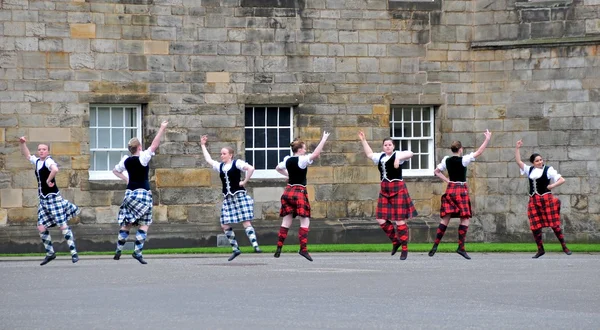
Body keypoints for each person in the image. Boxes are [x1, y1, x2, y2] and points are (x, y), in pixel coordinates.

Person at [429, 130, 492, 260]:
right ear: (461, 149)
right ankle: (461, 247)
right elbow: (479, 152)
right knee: (465, 218)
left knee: (445, 218)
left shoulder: (446, 160)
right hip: (461, 189)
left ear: (452, 149)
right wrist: (487, 139)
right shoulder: (464, 160)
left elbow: (436, 171)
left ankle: (435, 245)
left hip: (450, 189)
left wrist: (447, 181)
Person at [112, 120, 168, 264]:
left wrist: (126, 179)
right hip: (143, 194)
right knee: (145, 223)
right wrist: (161, 128)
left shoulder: (125, 160)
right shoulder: (143, 158)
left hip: (129, 194)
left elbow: (115, 171)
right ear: (139, 147)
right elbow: (154, 145)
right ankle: (137, 252)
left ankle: (118, 250)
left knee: (127, 223)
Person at [19, 137, 80, 266]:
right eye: (40, 149)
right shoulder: (37, 162)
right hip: (43, 200)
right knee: (41, 226)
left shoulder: (48, 161)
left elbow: (55, 169)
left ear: (48, 151)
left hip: (53, 199)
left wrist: (48, 180)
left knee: (62, 225)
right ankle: (50, 253)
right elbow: (27, 155)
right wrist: (23, 144)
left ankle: (74, 252)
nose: (41, 151)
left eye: (44, 149)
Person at [200, 135, 261, 261]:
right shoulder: (220, 166)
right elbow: (209, 160)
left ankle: (255, 246)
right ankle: (235, 249)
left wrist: (244, 181)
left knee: (245, 221)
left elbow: (251, 168)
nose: (222, 155)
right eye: (221, 153)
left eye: (224, 153)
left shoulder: (237, 163)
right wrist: (202, 145)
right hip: (228, 198)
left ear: (230, 155)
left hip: (238, 195)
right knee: (224, 224)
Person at [358, 131, 417, 260]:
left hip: (397, 189)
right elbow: (369, 154)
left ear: (393, 146)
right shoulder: (380, 157)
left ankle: (405, 249)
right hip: (385, 190)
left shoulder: (398, 155)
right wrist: (363, 140)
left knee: (399, 220)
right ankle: (396, 241)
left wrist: (398, 158)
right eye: (385, 145)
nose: (388, 147)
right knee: (381, 219)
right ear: (383, 147)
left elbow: (411, 153)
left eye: (390, 145)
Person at [274, 131, 330, 261]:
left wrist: (288, 175)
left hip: (288, 192)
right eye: (304, 148)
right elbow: (316, 154)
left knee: (286, 221)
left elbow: (277, 168)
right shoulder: (302, 160)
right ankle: (303, 249)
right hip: (299, 192)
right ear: (299, 150)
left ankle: (279, 247)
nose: (305, 150)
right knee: (305, 220)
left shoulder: (287, 159)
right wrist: (324, 139)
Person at [515, 140, 571, 258]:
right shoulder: (529, 170)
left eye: (541, 160)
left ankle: (564, 247)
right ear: (533, 163)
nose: (540, 162)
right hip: (533, 201)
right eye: (537, 161)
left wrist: (552, 186)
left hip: (546, 200)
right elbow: (519, 162)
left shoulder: (548, 170)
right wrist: (517, 148)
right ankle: (540, 249)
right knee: (535, 226)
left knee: (554, 225)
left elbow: (562, 180)